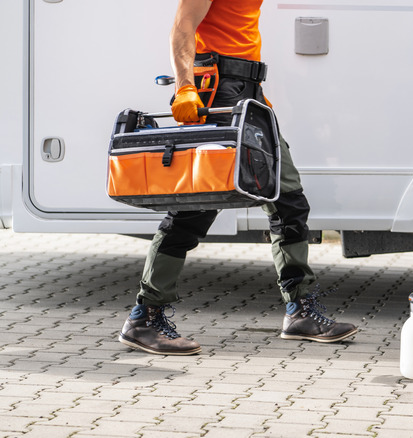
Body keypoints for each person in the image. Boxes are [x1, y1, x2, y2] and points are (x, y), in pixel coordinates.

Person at [118, 0, 358, 355]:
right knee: (193, 211)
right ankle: (144, 317)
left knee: (288, 201)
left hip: (248, 95)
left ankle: (300, 310)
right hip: (217, 94)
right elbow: (182, 26)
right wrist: (185, 86)